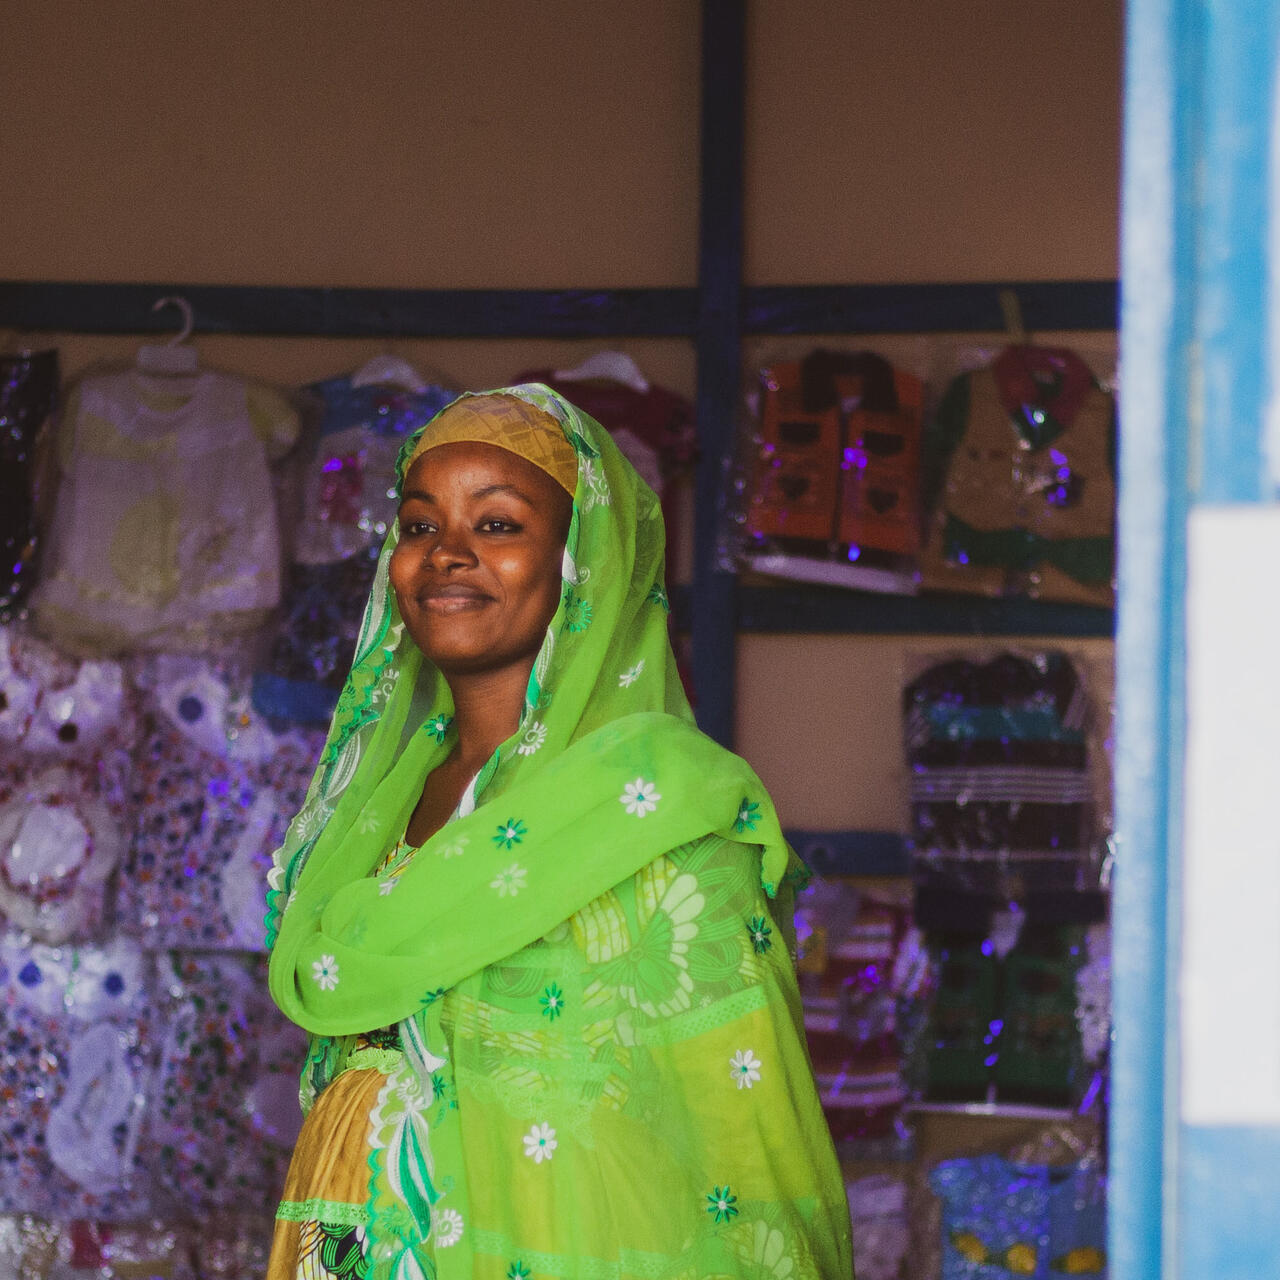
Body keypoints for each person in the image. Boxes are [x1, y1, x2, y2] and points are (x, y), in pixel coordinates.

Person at [265, 385, 854, 1279]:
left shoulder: (659, 816)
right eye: (419, 528)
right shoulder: (367, 807)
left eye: (497, 525)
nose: (447, 556)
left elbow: (750, 1154)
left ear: (584, 561)